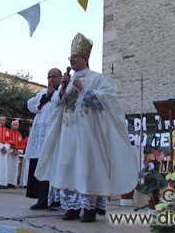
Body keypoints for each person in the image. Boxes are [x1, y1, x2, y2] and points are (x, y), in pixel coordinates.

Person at [34, 33, 138, 222]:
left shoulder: (96, 78)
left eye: (75, 56)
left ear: (85, 59)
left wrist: (84, 89)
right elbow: (56, 104)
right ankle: (71, 207)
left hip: (88, 133)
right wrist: (63, 88)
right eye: (70, 56)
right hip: (67, 132)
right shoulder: (67, 80)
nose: (72, 59)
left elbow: (107, 101)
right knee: (67, 166)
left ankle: (89, 209)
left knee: (87, 167)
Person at [25, 68, 62, 210]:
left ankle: (55, 200)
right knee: (39, 165)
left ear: (60, 78)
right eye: (49, 77)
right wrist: (47, 94)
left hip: (55, 135)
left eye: (54, 76)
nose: (51, 79)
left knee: (53, 167)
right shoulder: (42, 92)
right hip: (40, 136)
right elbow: (31, 105)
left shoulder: (64, 92)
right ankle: (41, 199)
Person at [7, 120, 24, 188]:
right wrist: (11, 151)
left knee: (14, 169)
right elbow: (6, 141)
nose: (16, 126)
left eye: (17, 125)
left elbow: (22, 144)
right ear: (11, 125)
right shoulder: (8, 132)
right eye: (15, 124)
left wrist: (19, 151)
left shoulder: (19, 134)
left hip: (16, 153)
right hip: (10, 153)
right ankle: (7, 182)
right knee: (8, 168)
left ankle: (12, 182)